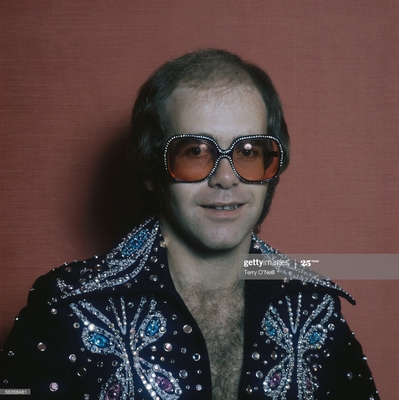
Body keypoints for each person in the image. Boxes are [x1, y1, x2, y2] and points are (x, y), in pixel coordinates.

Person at [0, 49, 379, 400]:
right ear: (151, 166)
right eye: (195, 152)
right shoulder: (67, 308)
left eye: (249, 152)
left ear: (271, 167)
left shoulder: (315, 308)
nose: (226, 178)